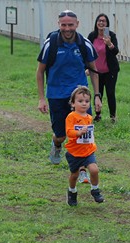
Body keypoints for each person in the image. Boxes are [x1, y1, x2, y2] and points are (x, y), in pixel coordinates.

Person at [36, 9, 102, 166]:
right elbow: (40, 72)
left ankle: (83, 169)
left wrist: (97, 95)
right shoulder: (50, 44)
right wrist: (41, 98)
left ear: (77, 24)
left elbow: (94, 71)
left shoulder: (85, 44)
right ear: (58, 24)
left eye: (70, 25)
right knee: (60, 135)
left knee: (84, 134)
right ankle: (57, 145)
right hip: (56, 94)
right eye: (63, 25)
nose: (67, 29)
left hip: (80, 97)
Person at [65, 86, 105, 206]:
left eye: (87, 101)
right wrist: (78, 133)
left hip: (88, 150)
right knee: (74, 175)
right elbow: (68, 132)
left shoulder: (89, 118)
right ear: (73, 103)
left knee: (94, 170)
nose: (84, 104)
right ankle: (72, 191)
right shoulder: (71, 117)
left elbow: (89, 134)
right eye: (80, 101)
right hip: (74, 152)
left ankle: (95, 190)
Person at [87, 13, 120, 123]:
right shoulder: (92, 36)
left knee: (110, 93)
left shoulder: (110, 35)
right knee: (98, 92)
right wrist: (86, 68)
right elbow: (86, 53)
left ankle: (113, 117)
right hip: (96, 72)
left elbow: (115, 52)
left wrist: (110, 44)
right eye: (99, 21)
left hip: (110, 71)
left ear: (107, 24)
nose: (101, 23)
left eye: (103, 21)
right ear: (96, 23)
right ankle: (98, 114)